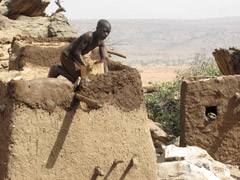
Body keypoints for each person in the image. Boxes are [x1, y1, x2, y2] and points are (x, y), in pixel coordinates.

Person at [48, 19, 111, 83]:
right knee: (78, 78)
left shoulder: (101, 42)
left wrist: (106, 74)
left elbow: (104, 59)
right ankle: (56, 70)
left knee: (82, 76)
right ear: (97, 28)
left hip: (75, 59)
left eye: (108, 32)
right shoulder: (88, 36)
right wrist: (86, 66)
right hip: (67, 55)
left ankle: (62, 68)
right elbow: (77, 53)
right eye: (104, 31)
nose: (106, 34)